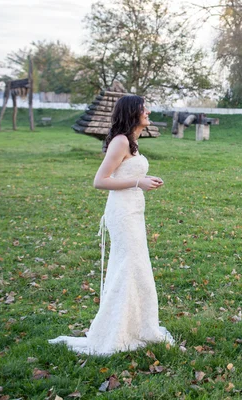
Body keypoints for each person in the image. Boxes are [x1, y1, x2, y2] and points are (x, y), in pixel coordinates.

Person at [49, 95, 174, 354]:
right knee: (128, 265)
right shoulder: (120, 141)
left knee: (136, 264)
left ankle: (137, 325)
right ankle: (117, 330)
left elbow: (125, 173)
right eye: (143, 108)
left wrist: (145, 178)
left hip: (134, 209)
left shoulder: (132, 142)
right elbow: (100, 180)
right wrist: (138, 182)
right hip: (122, 212)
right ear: (132, 113)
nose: (148, 111)